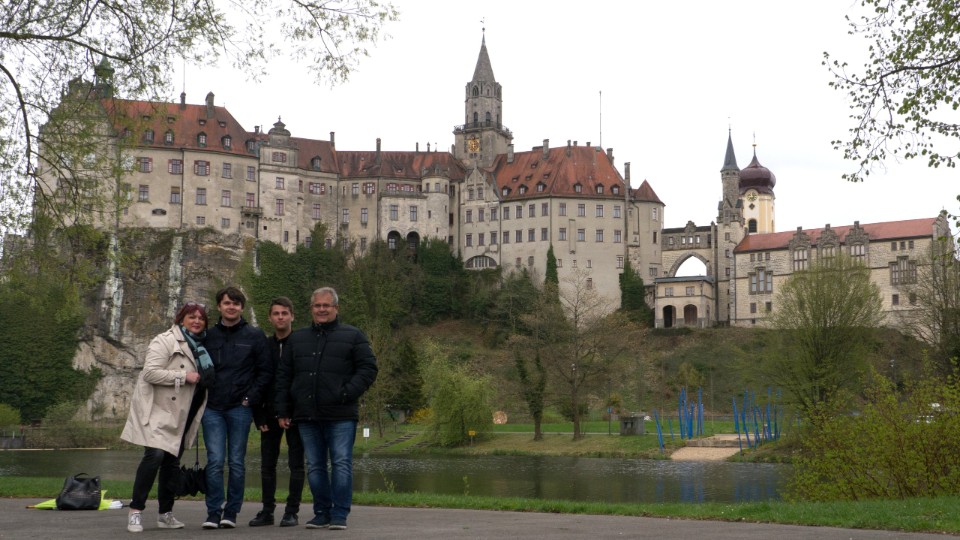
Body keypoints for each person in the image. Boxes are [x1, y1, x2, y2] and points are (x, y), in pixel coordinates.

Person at [275, 287, 378, 530]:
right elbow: (284, 376)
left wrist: (346, 392)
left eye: (326, 305)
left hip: (341, 414)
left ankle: (339, 514)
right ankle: (321, 513)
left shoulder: (353, 335)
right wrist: (283, 409)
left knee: (341, 463)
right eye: (317, 305)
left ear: (336, 308)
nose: (321, 309)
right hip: (306, 414)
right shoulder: (297, 339)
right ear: (311, 308)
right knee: (315, 466)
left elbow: (368, 369)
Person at [121, 301, 210, 533]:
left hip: (184, 412)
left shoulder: (203, 345)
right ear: (181, 319)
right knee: (154, 456)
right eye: (192, 317)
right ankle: (135, 511)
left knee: (171, 462)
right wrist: (183, 376)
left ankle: (165, 514)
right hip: (159, 410)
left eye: (201, 318)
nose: (197, 321)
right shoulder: (164, 340)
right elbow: (150, 373)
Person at [200, 286, 272, 530]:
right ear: (219, 306)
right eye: (227, 303)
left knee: (237, 462)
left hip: (240, 407)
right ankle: (213, 512)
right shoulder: (208, 336)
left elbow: (265, 372)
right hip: (212, 407)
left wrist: (250, 398)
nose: (231, 307)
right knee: (215, 461)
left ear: (242, 307)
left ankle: (231, 512)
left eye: (236, 303)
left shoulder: (255, 336)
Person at [248, 297, 305, 528]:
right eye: (276, 313)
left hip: (296, 412)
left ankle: (291, 512)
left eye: (284, 313)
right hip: (269, 412)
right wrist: (258, 414)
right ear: (270, 318)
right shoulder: (264, 346)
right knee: (267, 465)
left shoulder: (301, 344)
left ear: (292, 316)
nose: (280, 317)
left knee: (296, 465)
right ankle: (267, 511)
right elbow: (257, 380)